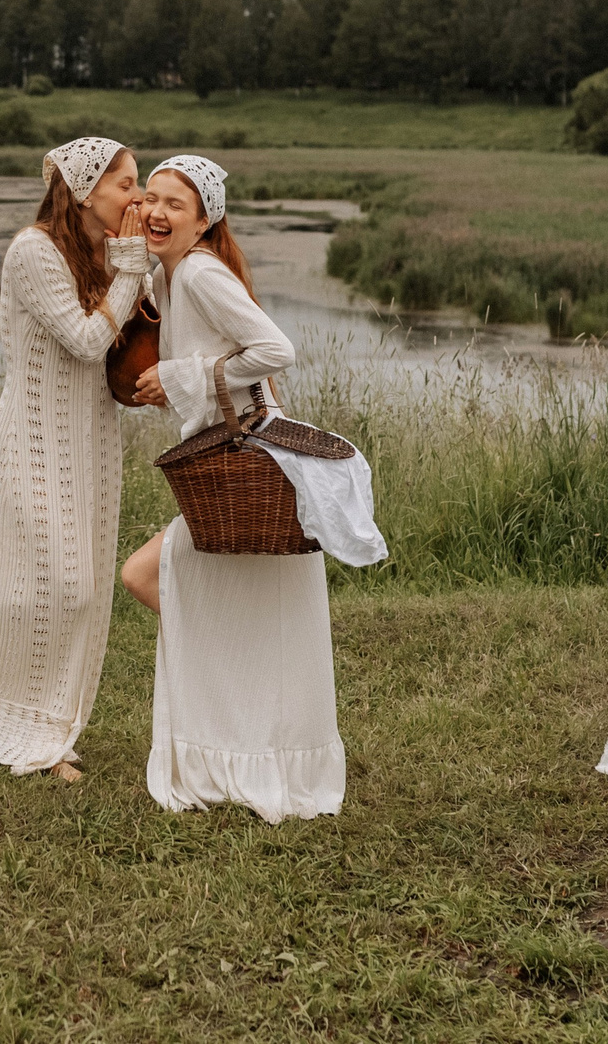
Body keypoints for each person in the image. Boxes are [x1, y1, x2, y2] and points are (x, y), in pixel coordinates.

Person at [0, 137, 151, 782]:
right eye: (127, 184)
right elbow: (82, 340)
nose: (138, 196)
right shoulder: (32, 251)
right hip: (33, 439)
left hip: (92, 440)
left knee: (83, 588)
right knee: (56, 587)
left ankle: (47, 724)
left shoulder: (108, 254)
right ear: (84, 190)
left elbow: (125, 343)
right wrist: (131, 269)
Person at [120, 153, 346, 822]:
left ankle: (231, 736)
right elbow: (138, 306)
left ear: (205, 218)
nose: (158, 211)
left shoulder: (200, 271)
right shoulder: (173, 274)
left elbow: (276, 350)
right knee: (188, 592)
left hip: (239, 456)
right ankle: (243, 733)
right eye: (150, 197)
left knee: (143, 574)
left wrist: (184, 376)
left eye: (175, 204)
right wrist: (130, 248)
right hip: (223, 456)